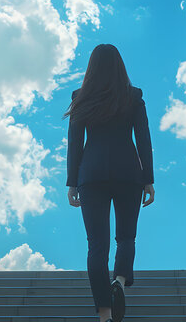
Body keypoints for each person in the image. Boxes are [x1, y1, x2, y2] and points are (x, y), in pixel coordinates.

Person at [62, 43, 155, 322]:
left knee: (96, 245)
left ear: (91, 68)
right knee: (126, 237)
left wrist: (72, 182)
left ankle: (104, 313)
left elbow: (75, 144)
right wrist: (148, 180)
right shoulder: (134, 97)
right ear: (120, 66)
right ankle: (120, 282)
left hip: (91, 176)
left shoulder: (81, 97)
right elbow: (144, 140)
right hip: (129, 174)